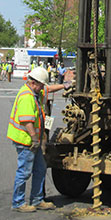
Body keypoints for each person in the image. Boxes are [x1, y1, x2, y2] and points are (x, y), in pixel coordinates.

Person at [7, 67, 72, 212]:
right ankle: (18, 203)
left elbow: (48, 89)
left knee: (40, 169)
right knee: (24, 171)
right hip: (26, 141)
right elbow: (26, 121)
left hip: (32, 140)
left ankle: (37, 200)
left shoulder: (36, 92)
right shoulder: (26, 96)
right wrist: (35, 139)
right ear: (33, 83)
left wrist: (64, 85)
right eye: (41, 85)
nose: (43, 87)